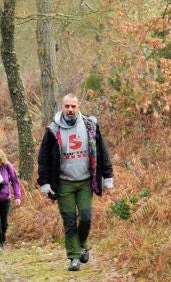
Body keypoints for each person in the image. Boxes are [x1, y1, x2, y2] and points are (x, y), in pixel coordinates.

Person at [37, 93, 114, 272]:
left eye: (73, 106)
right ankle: (74, 257)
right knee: (69, 220)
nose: (70, 110)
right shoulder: (52, 130)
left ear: (78, 108)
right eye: (67, 106)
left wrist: (108, 177)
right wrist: (44, 183)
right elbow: (44, 158)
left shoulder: (90, 125)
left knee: (85, 218)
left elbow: (102, 152)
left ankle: (82, 244)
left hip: (86, 181)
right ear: (62, 107)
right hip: (64, 182)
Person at [0, 147, 23, 248]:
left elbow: (15, 181)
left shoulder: (7, 166)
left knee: (4, 222)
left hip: (5, 199)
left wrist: (17, 196)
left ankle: (1, 239)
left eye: (0, 162)